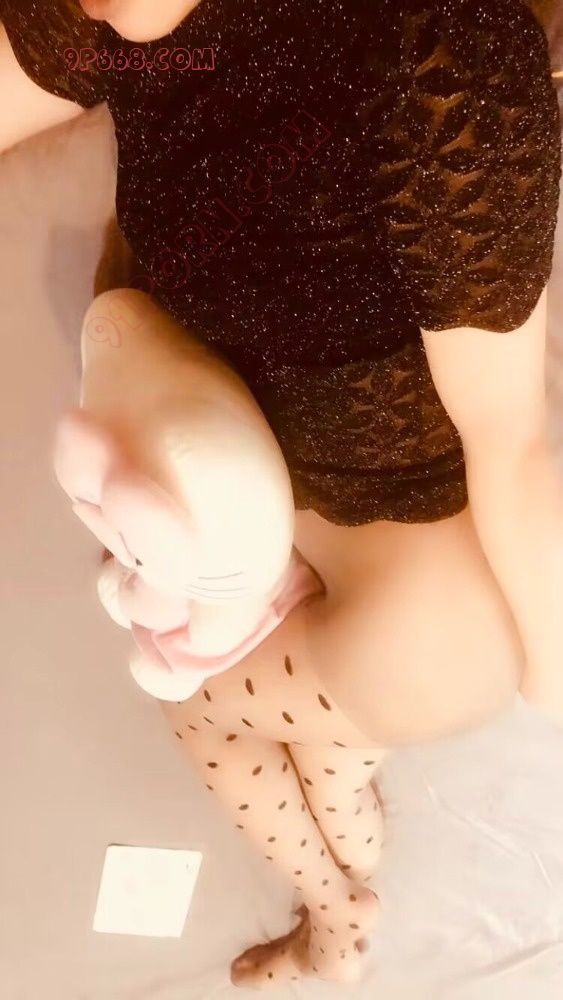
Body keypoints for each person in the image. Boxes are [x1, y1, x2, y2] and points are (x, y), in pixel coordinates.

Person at [2, 0, 563, 988]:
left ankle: (335, 916)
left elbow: (512, 440)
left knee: (201, 712)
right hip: (288, 523)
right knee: (328, 749)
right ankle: (349, 831)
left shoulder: (434, 55)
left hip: (425, 605)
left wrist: (551, 677)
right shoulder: (119, 19)